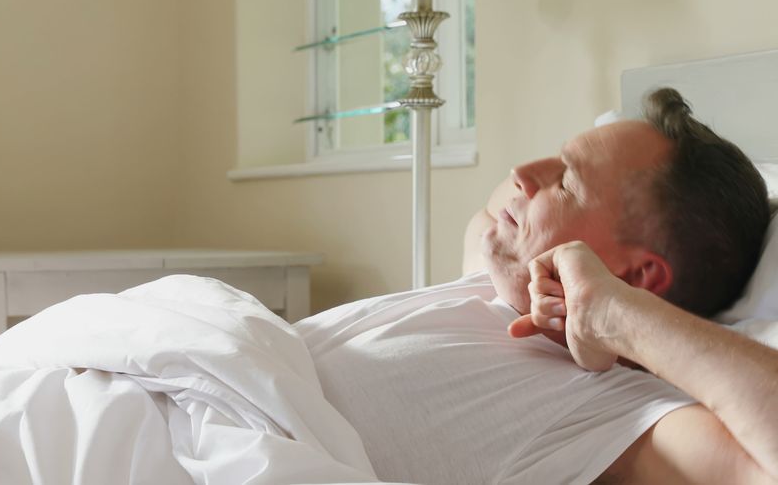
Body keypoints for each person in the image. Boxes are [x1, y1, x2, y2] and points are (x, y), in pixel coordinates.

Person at [295, 88, 777, 484]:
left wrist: (616, 314)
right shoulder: (489, 279)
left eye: (565, 181)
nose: (520, 175)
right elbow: (489, 211)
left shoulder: (604, 414)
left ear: (637, 276)